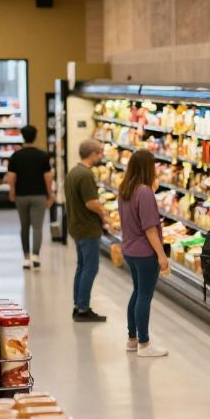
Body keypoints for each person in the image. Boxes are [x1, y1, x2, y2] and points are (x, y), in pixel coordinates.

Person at [117, 149, 170, 358]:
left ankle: (132, 339)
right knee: (144, 297)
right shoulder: (145, 192)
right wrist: (161, 255)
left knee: (137, 293)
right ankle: (145, 344)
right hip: (144, 252)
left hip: (129, 249)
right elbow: (149, 228)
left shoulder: (125, 189)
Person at [65, 138, 107, 322]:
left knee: (82, 267)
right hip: (88, 227)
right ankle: (83, 308)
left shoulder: (73, 172)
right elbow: (91, 203)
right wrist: (103, 213)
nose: (102, 155)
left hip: (76, 226)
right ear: (93, 154)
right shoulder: (86, 175)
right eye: (100, 152)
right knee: (90, 268)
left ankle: (78, 304)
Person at [5, 125, 54, 269]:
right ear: (35, 136)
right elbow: (48, 177)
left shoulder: (15, 156)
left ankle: (26, 258)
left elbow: (11, 176)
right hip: (39, 195)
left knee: (24, 226)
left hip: (21, 195)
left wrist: (12, 191)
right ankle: (36, 256)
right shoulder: (42, 156)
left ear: (22, 137)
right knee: (37, 227)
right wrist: (50, 194)